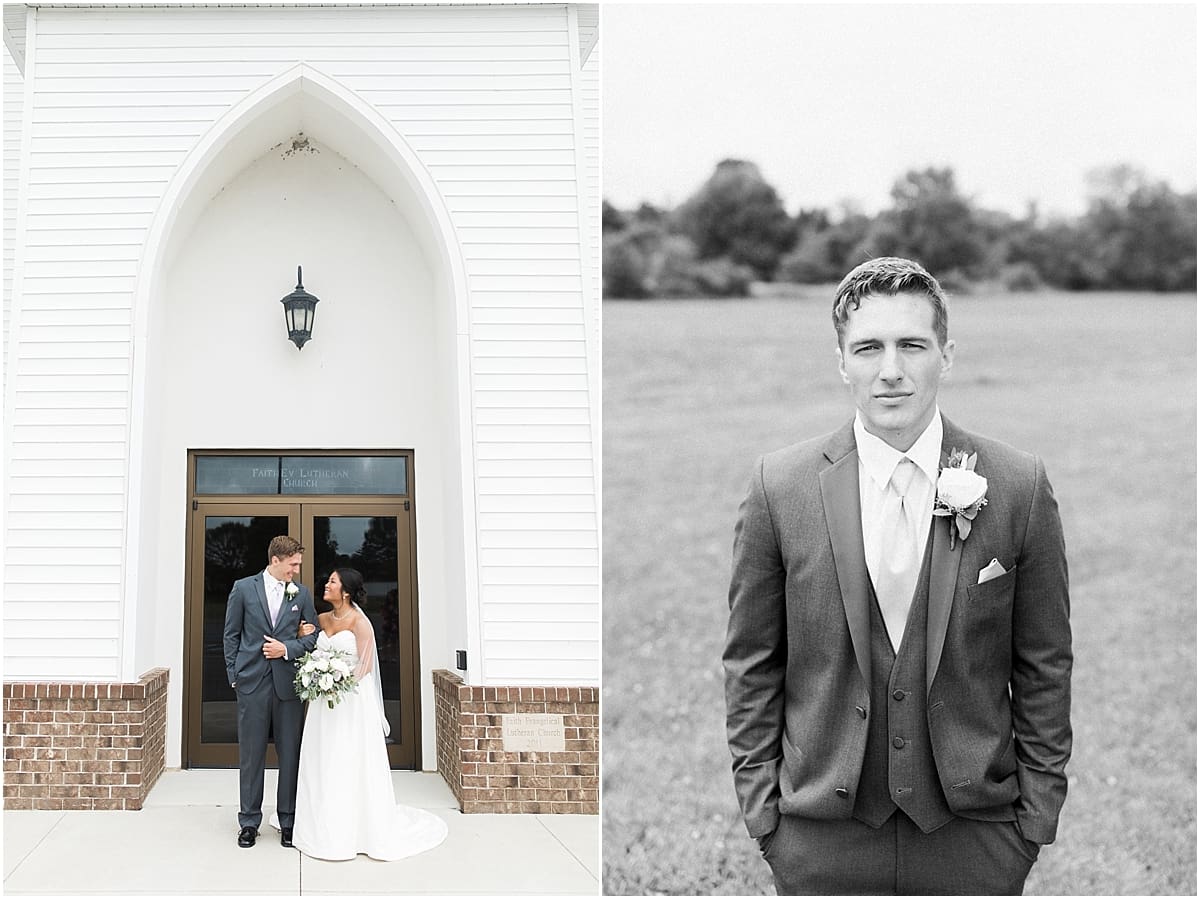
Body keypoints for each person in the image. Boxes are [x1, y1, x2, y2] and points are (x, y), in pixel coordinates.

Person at [723, 256, 1072, 895]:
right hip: (820, 837)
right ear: (842, 361)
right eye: (868, 348)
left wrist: (1033, 822)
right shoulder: (780, 485)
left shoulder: (1018, 484)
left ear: (946, 354)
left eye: (912, 344)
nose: (891, 370)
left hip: (976, 837)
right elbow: (752, 664)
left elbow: (1045, 663)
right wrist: (765, 817)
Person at [281, 567, 448, 861]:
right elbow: (310, 650)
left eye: (332, 582)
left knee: (348, 757)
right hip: (322, 704)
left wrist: (336, 680)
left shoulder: (360, 623)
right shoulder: (320, 620)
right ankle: (320, 823)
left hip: (350, 701)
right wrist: (306, 646)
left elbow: (366, 667)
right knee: (322, 757)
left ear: (346, 591)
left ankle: (355, 827)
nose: (326, 585)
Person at [223, 535, 320, 849]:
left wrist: (287, 648)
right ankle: (249, 821)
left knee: (289, 754)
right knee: (251, 756)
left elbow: (313, 635)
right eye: (292, 565)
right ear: (276, 560)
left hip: (288, 685)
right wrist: (234, 676)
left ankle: (288, 820)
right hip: (251, 682)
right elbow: (231, 635)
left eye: (298, 566)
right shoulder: (242, 588)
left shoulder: (301, 594)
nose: (295, 571)